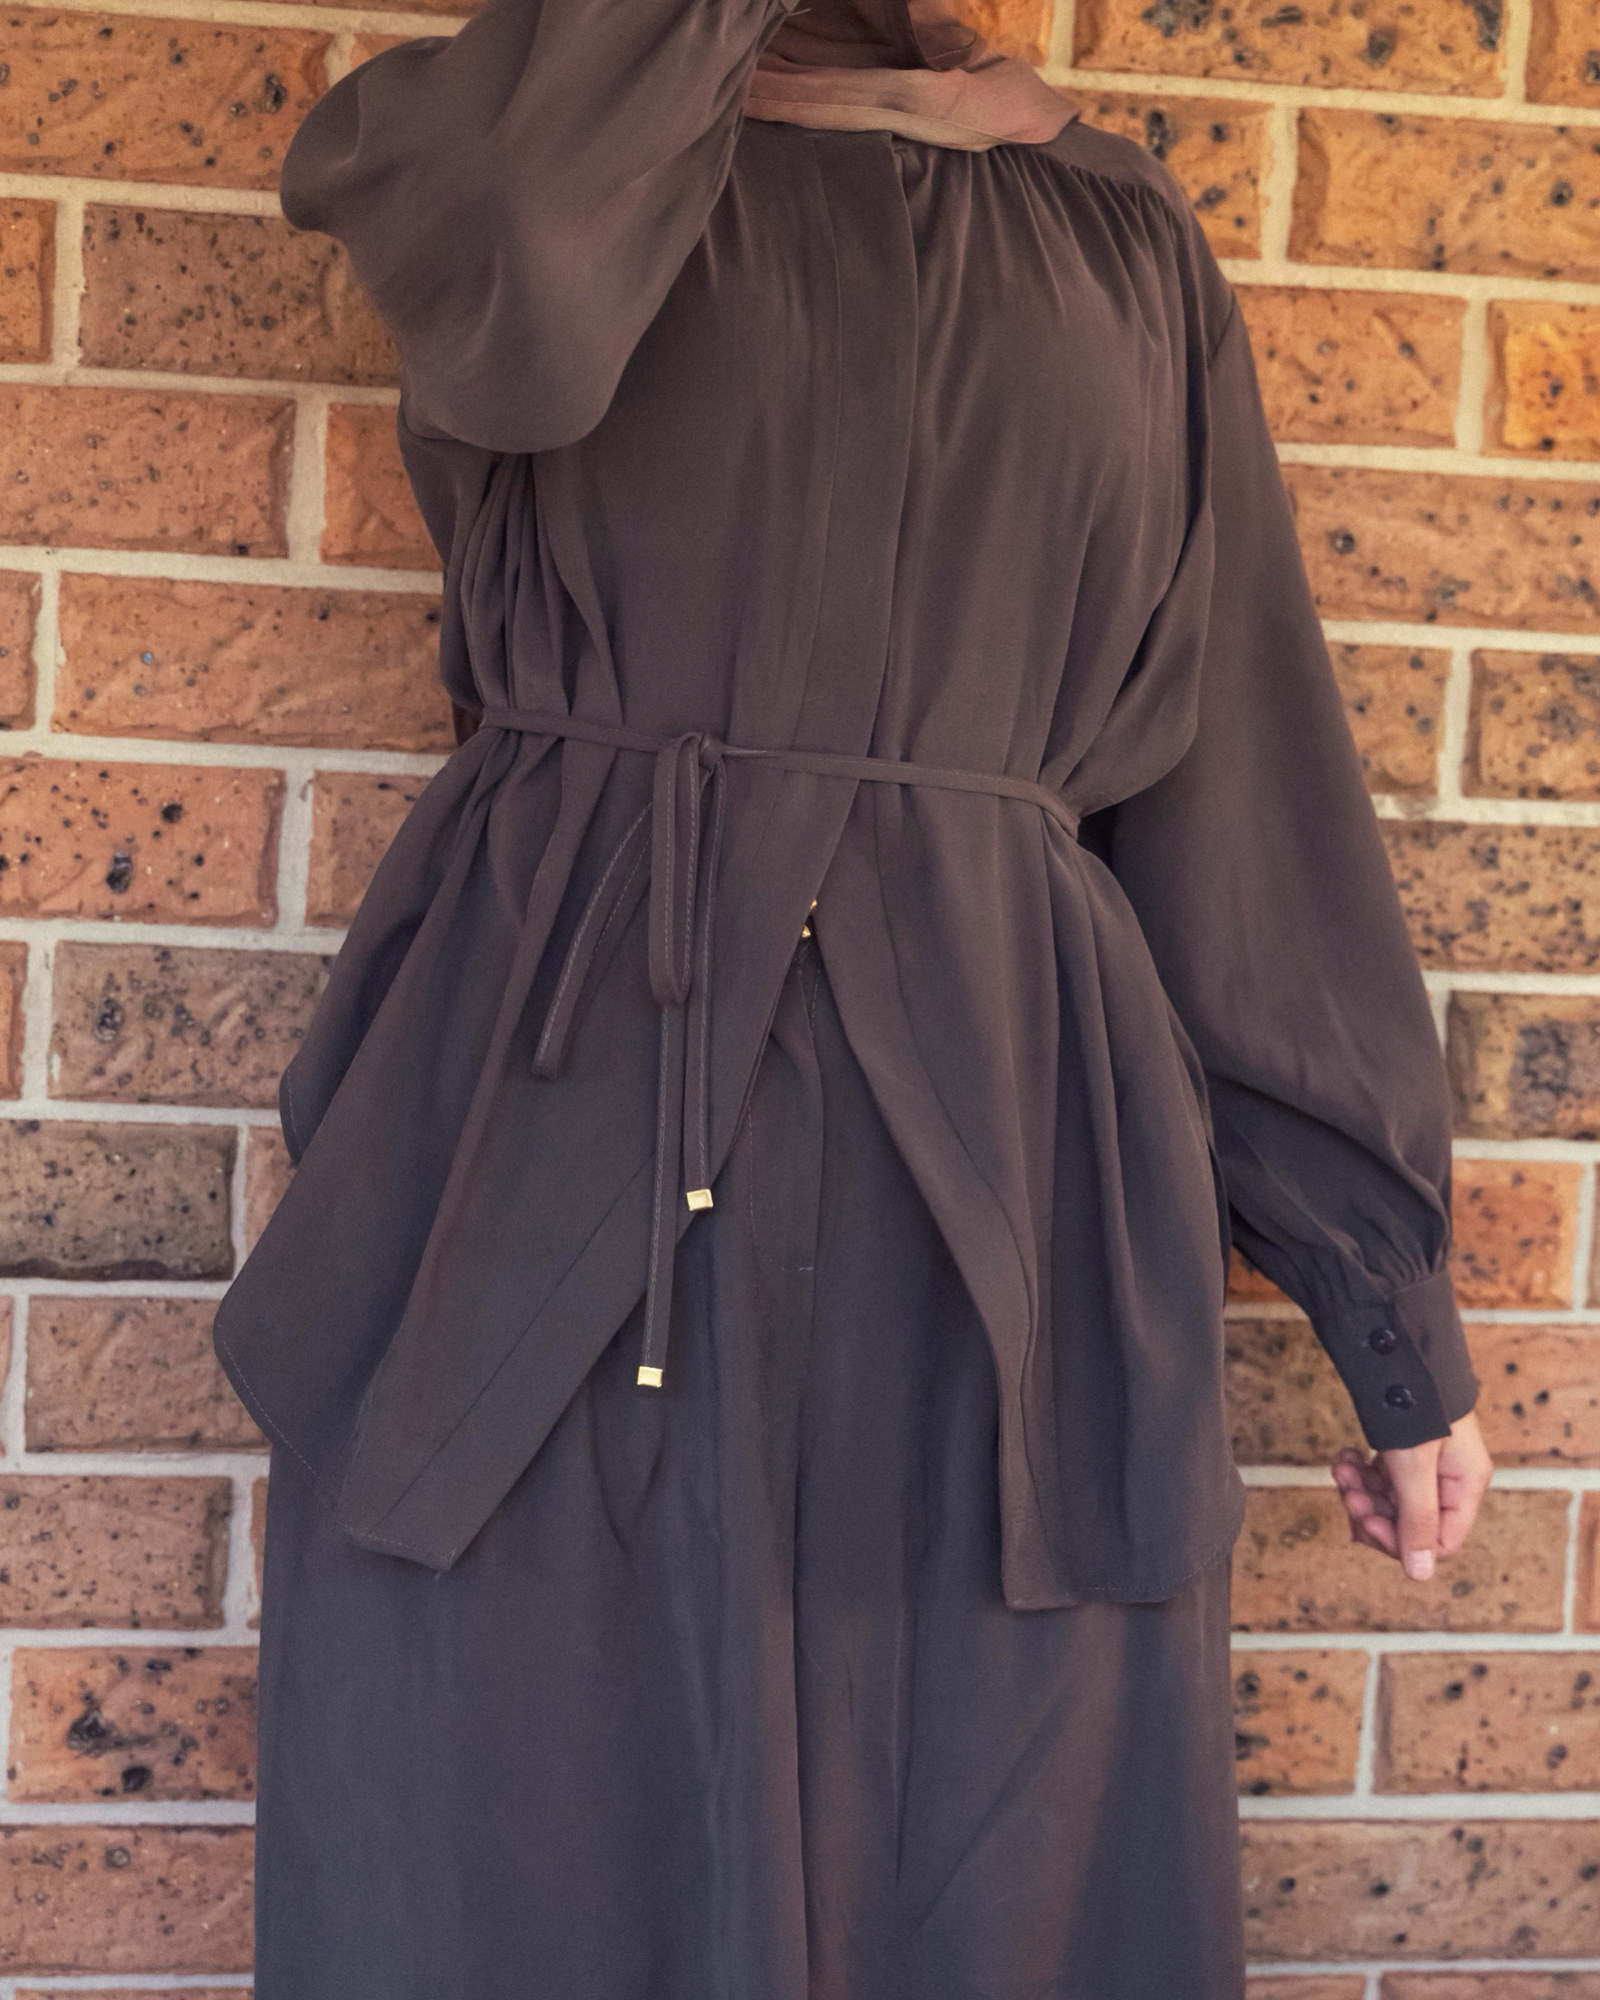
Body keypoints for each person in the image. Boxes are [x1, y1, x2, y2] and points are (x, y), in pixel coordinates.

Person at [210, 0, 1496, 1990]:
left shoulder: (1110, 232)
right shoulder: (568, 149)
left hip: (995, 1204)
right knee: (513, 1855)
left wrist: (1382, 1306)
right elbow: (502, 223)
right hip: (544, 1179)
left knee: (986, 1867)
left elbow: (1234, 778)